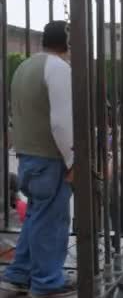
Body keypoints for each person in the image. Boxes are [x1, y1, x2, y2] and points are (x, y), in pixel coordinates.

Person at [1, 21, 76, 296]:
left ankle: (19, 273)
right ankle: (47, 281)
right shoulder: (59, 69)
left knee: (35, 216)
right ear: (67, 42)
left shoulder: (24, 67)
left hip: (28, 156)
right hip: (51, 158)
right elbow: (60, 122)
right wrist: (73, 160)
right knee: (52, 222)